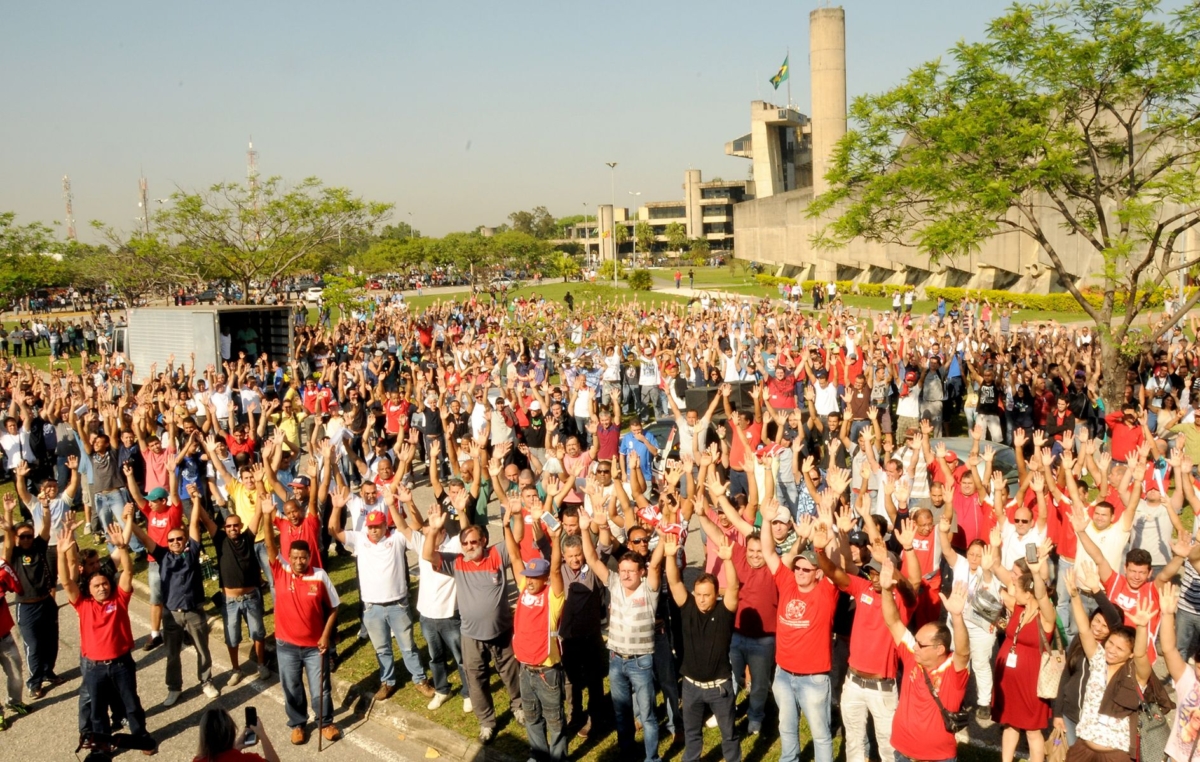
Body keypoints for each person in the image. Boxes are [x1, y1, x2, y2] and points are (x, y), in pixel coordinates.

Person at [422, 499, 524, 745]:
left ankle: (518, 706)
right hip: (471, 635)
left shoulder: (497, 555)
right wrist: (434, 529)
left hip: (501, 631)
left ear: (484, 542)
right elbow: (427, 555)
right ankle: (487, 722)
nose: (469, 546)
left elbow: (516, 544)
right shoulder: (457, 562)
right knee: (476, 681)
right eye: (465, 543)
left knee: (510, 674)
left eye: (473, 542)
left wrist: (514, 518)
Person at [580, 495, 665, 762]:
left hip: (641, 662)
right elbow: (593, 560)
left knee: (648, 716)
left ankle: (651, 758)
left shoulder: (649, 589)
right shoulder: (615, 583)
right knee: (621, 713)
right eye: (624, 570)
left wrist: (663, 533)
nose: (626, 574)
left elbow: (659, 560)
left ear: (642, 571)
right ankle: (628, 754)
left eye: (631, 570)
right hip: (616, 660)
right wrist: (586, 529)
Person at [328, 488, 434, 701]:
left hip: (398, 605)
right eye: (371, 527)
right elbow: (334, 529)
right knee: (382, 648)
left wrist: (399, 504)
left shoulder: (397, 538)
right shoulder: (359, 539)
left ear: (386, 525)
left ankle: (419, 679)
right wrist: (337, 507)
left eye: (378, 526)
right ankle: (388, 681)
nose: (374, 530)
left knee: (408, 647)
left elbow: (413, 526)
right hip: (372, 608)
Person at [59, 522, 155, 754]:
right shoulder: (82, 605)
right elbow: (65, 582)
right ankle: (101, 747)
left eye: (104, 584)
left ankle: (140, 737)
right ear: (89, 589)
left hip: (122, 663)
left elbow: (129, 572)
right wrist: (62, 554)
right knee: (98, 711)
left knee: (131, 705)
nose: (101, 587)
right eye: (96, 585)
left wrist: (123, 547)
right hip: (94, 668)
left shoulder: (119, 600)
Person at [124, 491, 219, 706]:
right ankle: (174, 688)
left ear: (185, 540)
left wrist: (195, 500)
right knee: (173, 655)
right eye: (172, 540)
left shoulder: (193, 552)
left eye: (179, 539)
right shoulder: (162, 555)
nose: (175, 542)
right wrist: (130, 520)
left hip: (194, 611)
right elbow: (144, 538)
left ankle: (206, 681)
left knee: (203, 650)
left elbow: (194, 522)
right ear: (167, 542)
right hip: (172, 615)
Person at [262, 495, 341, 745]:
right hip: (286, 645)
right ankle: (297, 724)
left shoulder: (319, 576)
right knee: (292, 688)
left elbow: (334, 607)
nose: (298, 561)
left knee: (321, 689)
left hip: (314, 647)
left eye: (302, 558)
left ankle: (325, 722)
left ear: (309, 557)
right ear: (290, 557)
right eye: (294, 557)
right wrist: (266, 515)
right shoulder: (280, 570)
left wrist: (326, 635)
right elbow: (268, 545)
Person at [1063, 569, 1161, 762]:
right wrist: (1074, 596)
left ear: (1130, 654)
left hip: (1115, 755)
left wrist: (1142, 626)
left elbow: (1141, 654)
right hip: (1083, 748)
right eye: (1111, 643)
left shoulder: (1135, 674)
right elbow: (1084, 630)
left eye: (1120, 649)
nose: (1112, 650)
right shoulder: (1099, 660)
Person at [879, 558, 972, 762]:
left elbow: (964, 653)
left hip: (937, 758)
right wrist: (886, 591)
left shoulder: (953, 671)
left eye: (921, 644)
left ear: (940, 649)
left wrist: (957, 616)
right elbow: (893, 622)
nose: (915, 646)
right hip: (902, 752)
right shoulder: (914, 655)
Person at [661, 530, 741, 762]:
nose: (702, 599)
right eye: (698, 594)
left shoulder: (724, 612)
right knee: (693, 735)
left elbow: (734, 589)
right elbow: (674, 581)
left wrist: (727, 560)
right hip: (691, 687)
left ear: (716, 594)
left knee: (729, 735)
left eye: (707, 595)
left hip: (720, 688)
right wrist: (669, 556)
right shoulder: (687, 607)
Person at [503, 497, 567, 762]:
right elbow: (516, 555)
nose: (529, 581)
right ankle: (538, 755)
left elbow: (554, 568)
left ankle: (558, 757)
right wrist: (506, 525)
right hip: (525, 670)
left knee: (554, 720)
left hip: (547, 673)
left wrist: (556, 539)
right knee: (531, 716)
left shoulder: (553, 597)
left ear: (544, 580)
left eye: (534, 578)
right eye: (528, 577)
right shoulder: (522, 589)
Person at [192, 488, 270, 686]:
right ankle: (236, 669)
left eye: (236, 526)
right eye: (229, 526)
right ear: (225, 529)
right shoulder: (219, 540)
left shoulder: (248, 537)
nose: (233, 529)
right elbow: (206, 519)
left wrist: (260, 484)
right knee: (232, 637)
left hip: (251, 596)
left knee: (258, 633)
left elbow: (258, 514)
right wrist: (195, 498)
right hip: (229, 601)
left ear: (241, 526)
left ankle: (261, 664)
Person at [992, 545, 1058, 762]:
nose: (1014, 592)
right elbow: (999, 584)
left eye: (1017, 589)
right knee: (1010, 724)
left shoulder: (1046, 615)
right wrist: (987, 566)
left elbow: (1040, 594)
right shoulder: (1018, 608)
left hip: (1031, 682)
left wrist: (1037, 573)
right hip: (1009, 682)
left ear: (1028, 593)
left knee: (1032, 730)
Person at [193, 707, 280, 762]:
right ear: (231, 733)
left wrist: (236, 746)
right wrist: (262, 734)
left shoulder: (198, 760)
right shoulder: (248, 759)